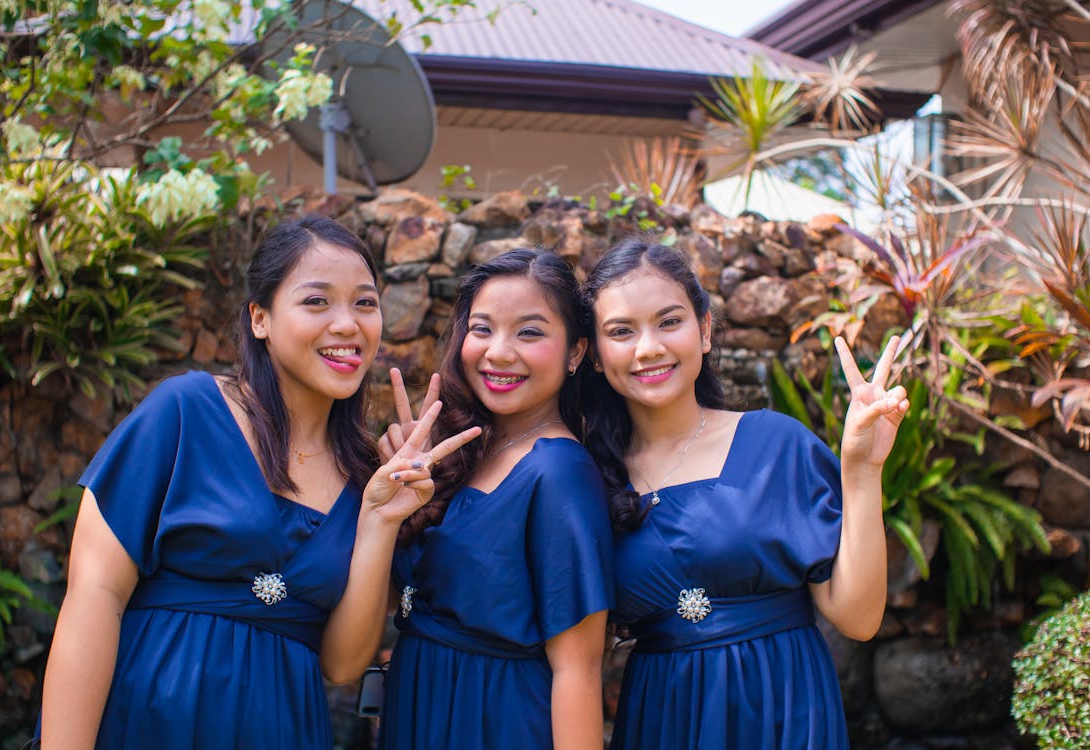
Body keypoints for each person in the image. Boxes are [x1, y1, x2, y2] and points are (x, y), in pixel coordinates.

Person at [38, 215, 479, 749]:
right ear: (260, 319)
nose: (347, 324)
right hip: (147, 723)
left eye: (365, 303)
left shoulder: (366, 473)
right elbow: (94, 596)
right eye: (317, 301)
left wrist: (381, 519)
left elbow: (340, 664)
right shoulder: (184, 413)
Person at [581, 237, 910, 749]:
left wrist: (862, 471)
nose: (648, 347)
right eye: (621, 331)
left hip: (785, 707)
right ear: (596, 355)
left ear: (705, 329)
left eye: (670, 321)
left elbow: (859, 618)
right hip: (665, 716)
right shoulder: (589, 476)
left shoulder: (776, 445)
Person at [377, 248, 615, 750]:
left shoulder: (559, 472)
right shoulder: (460, 450)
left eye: (529, 332)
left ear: (575, 352)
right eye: (482, 329)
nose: (499, 352)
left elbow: (578, 668)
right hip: (421, 703)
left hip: (494, 719)